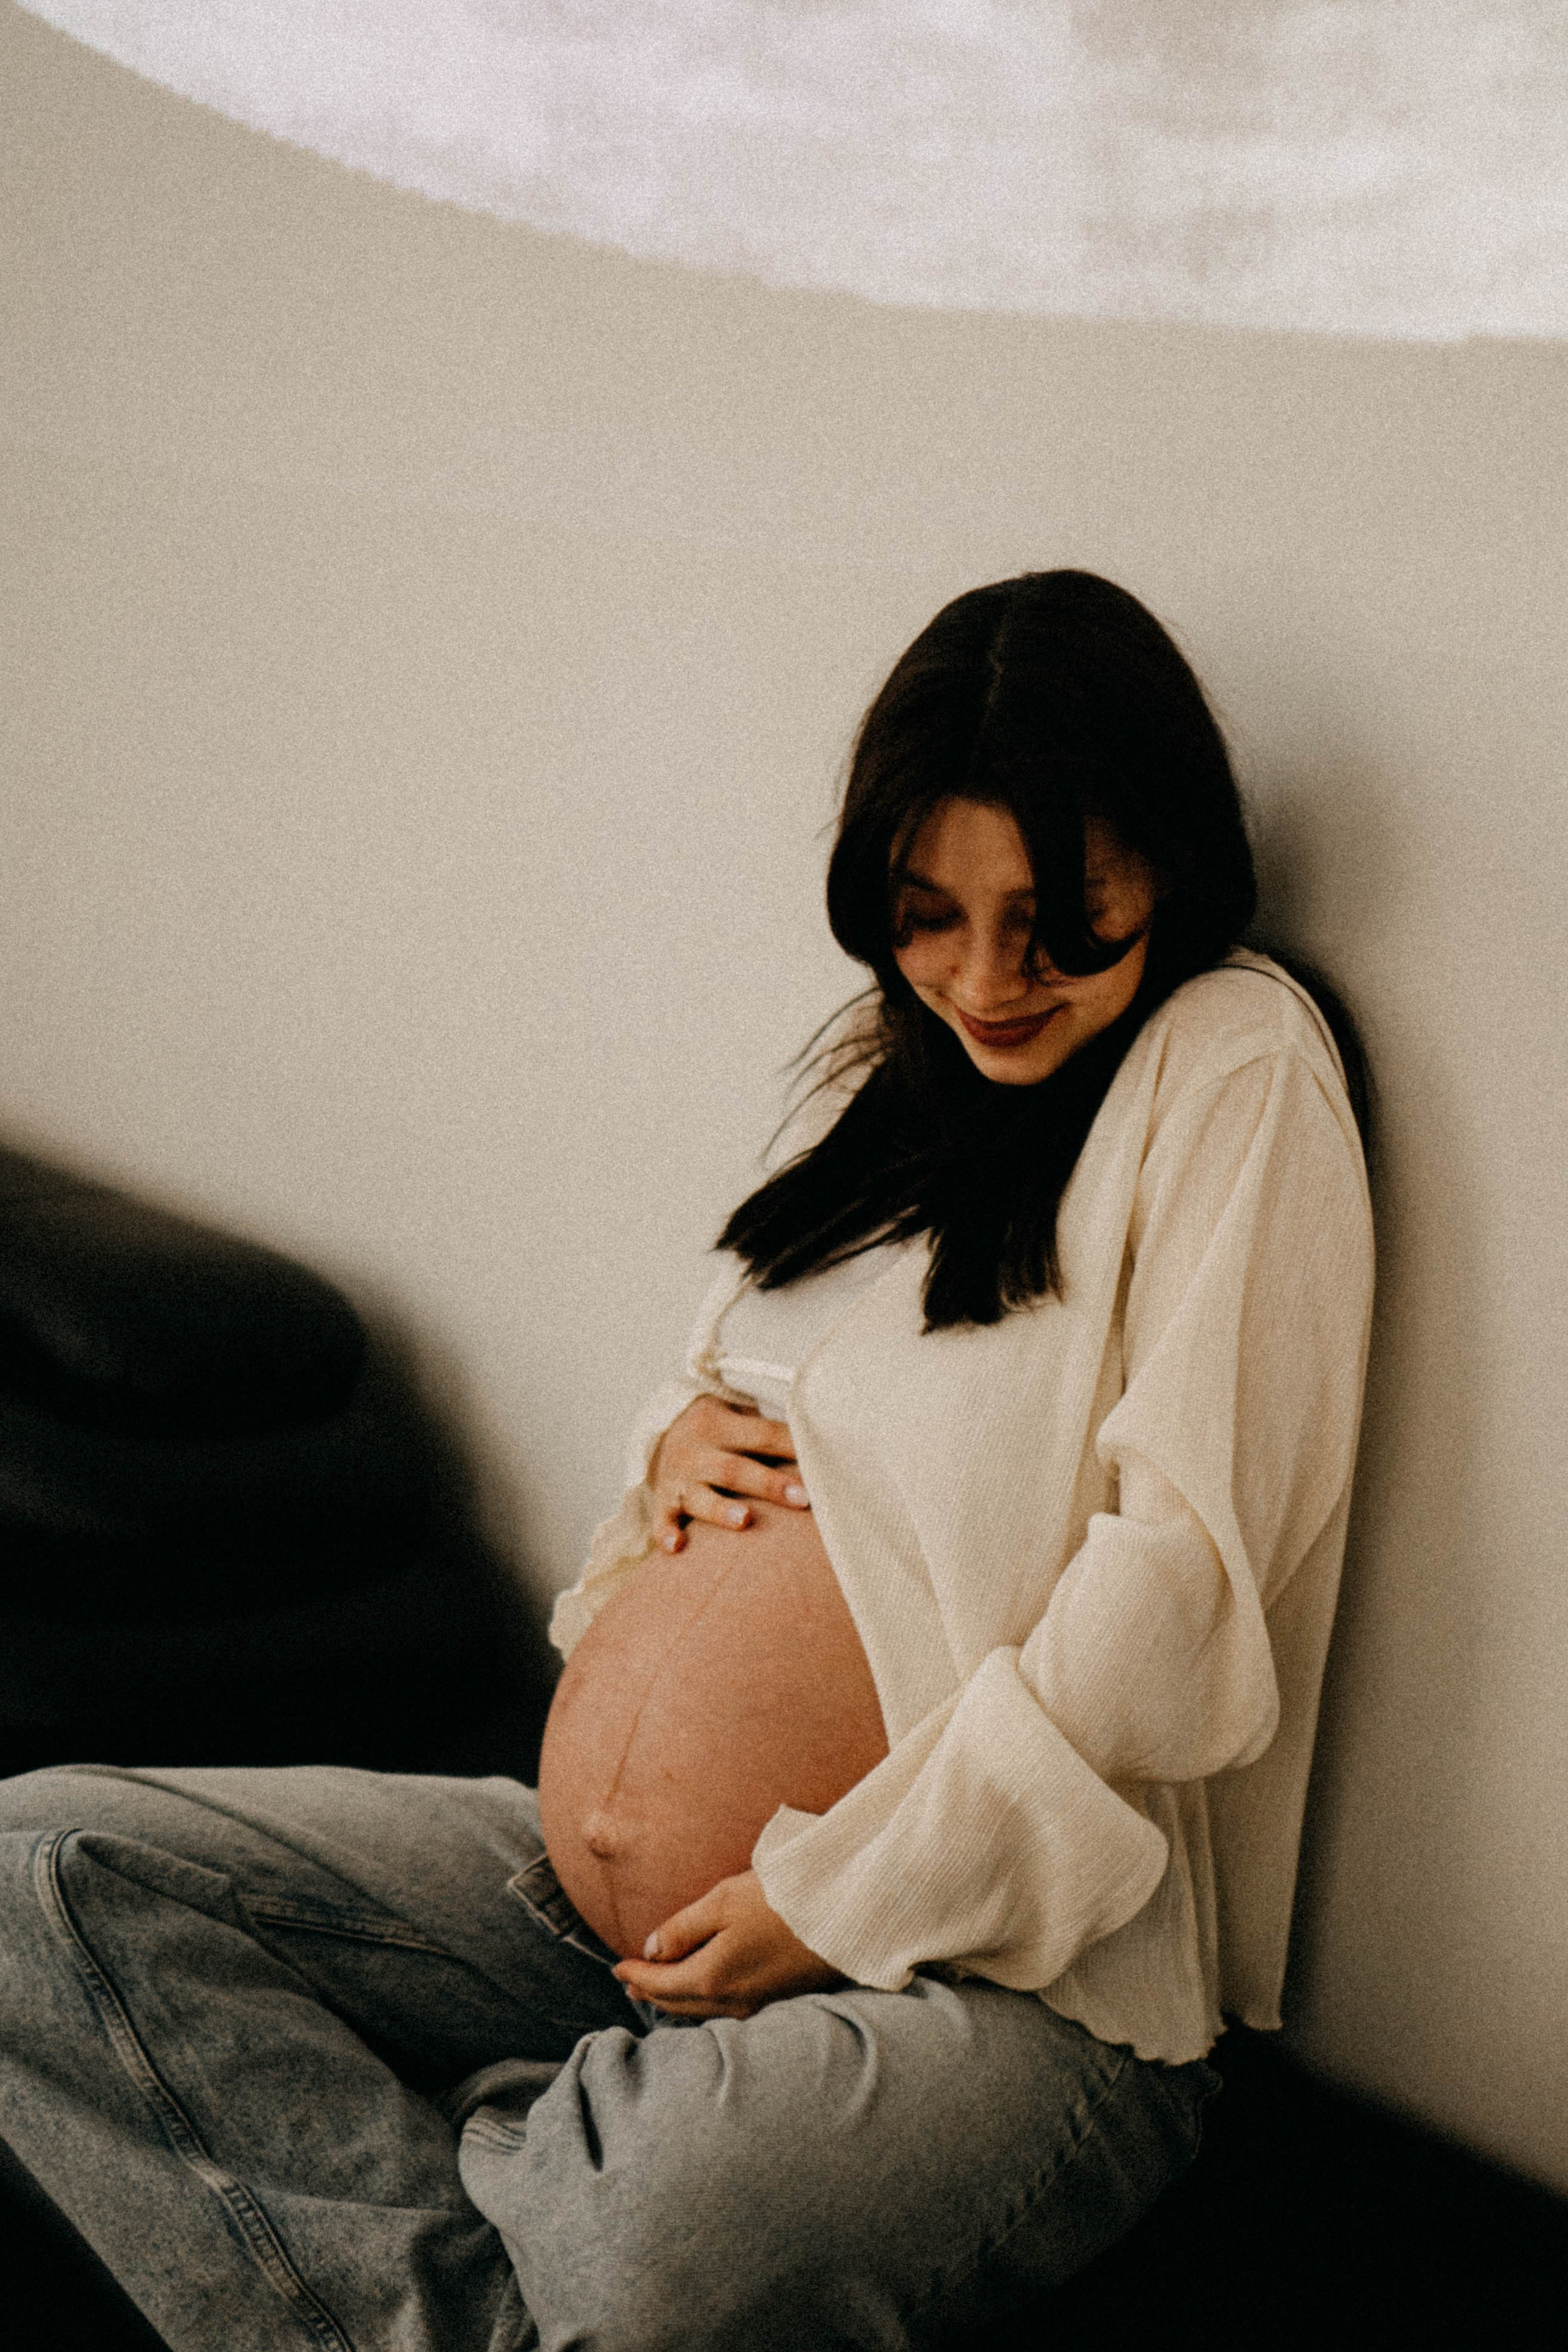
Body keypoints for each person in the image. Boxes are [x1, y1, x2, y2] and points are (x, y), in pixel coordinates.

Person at [0, 570, 1374, 2351]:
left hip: (1008, 1980)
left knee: (652, 2253)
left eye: (1056, 918)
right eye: (926, 914)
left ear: (1169, 862)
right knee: (42, 1875)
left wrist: (834, 1897)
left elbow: (1178, 1599)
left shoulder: (1231, 1062)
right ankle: (515, 2227)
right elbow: (729, 1418)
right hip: (614, 1924)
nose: (985, 976)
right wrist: (665, 1457)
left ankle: (524, 2208)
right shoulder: (879, 1083)